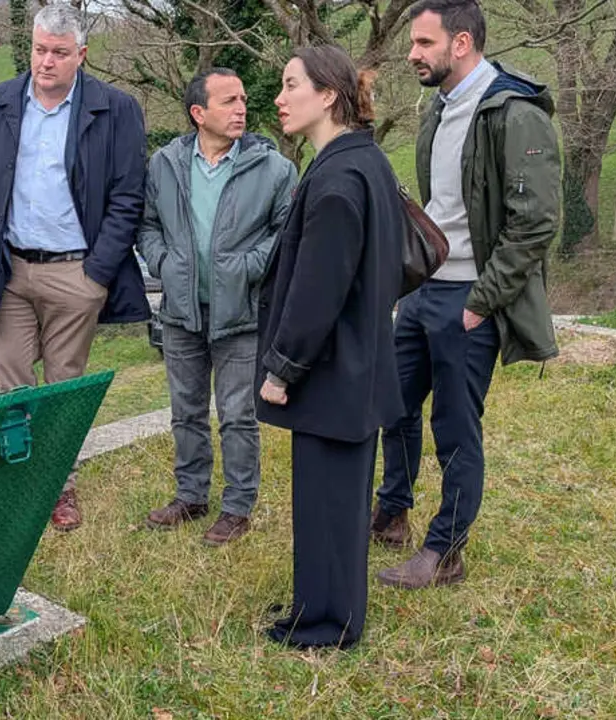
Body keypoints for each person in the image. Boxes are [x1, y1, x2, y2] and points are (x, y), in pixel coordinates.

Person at [373, 0, 561, 588]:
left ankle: (445, 551)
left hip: (469, 301)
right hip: (425, 292)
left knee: (454, 427)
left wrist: (481, 302)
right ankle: (392, 512)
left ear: (460, 44)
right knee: (393, 406)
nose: (412, 54)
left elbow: (534, 223)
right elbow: (443, 209)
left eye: (424, 43)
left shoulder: (512, 111)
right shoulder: (439, 108)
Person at [0, 3, 150, 532]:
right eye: (40, 50)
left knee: (63, 387)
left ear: (81, 56)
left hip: (76, 273)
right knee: (11, 385)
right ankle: (18, 486)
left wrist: (98, 273)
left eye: (59, 53)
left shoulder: (114, 109)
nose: (46, 62)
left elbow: (127, 196)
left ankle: (59, 490)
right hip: (10, 269)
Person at [257, 45, 406, 650]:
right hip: (353, 364)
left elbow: (318, 290)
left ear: (328, 95)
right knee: (329, 503)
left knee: (330, 503)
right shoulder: (362, 161)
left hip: (332, 368)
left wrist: (282, 367)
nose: (279, 97)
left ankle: (327, 625)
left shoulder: (340, 178)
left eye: (291, 84)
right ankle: (316, 605)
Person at [137, 69, 297, 545]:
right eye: (228, 101)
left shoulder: (273, 168)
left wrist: (248, 266)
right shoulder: (164, 163)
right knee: (185, 411)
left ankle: (237, 507)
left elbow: (287, 233)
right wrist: (164, 264)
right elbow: (146, 226)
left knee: (237, 415)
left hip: (241, 314)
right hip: (181, 312)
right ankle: (191, 496)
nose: (241, 109)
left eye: (243, 99)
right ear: (198, 113)